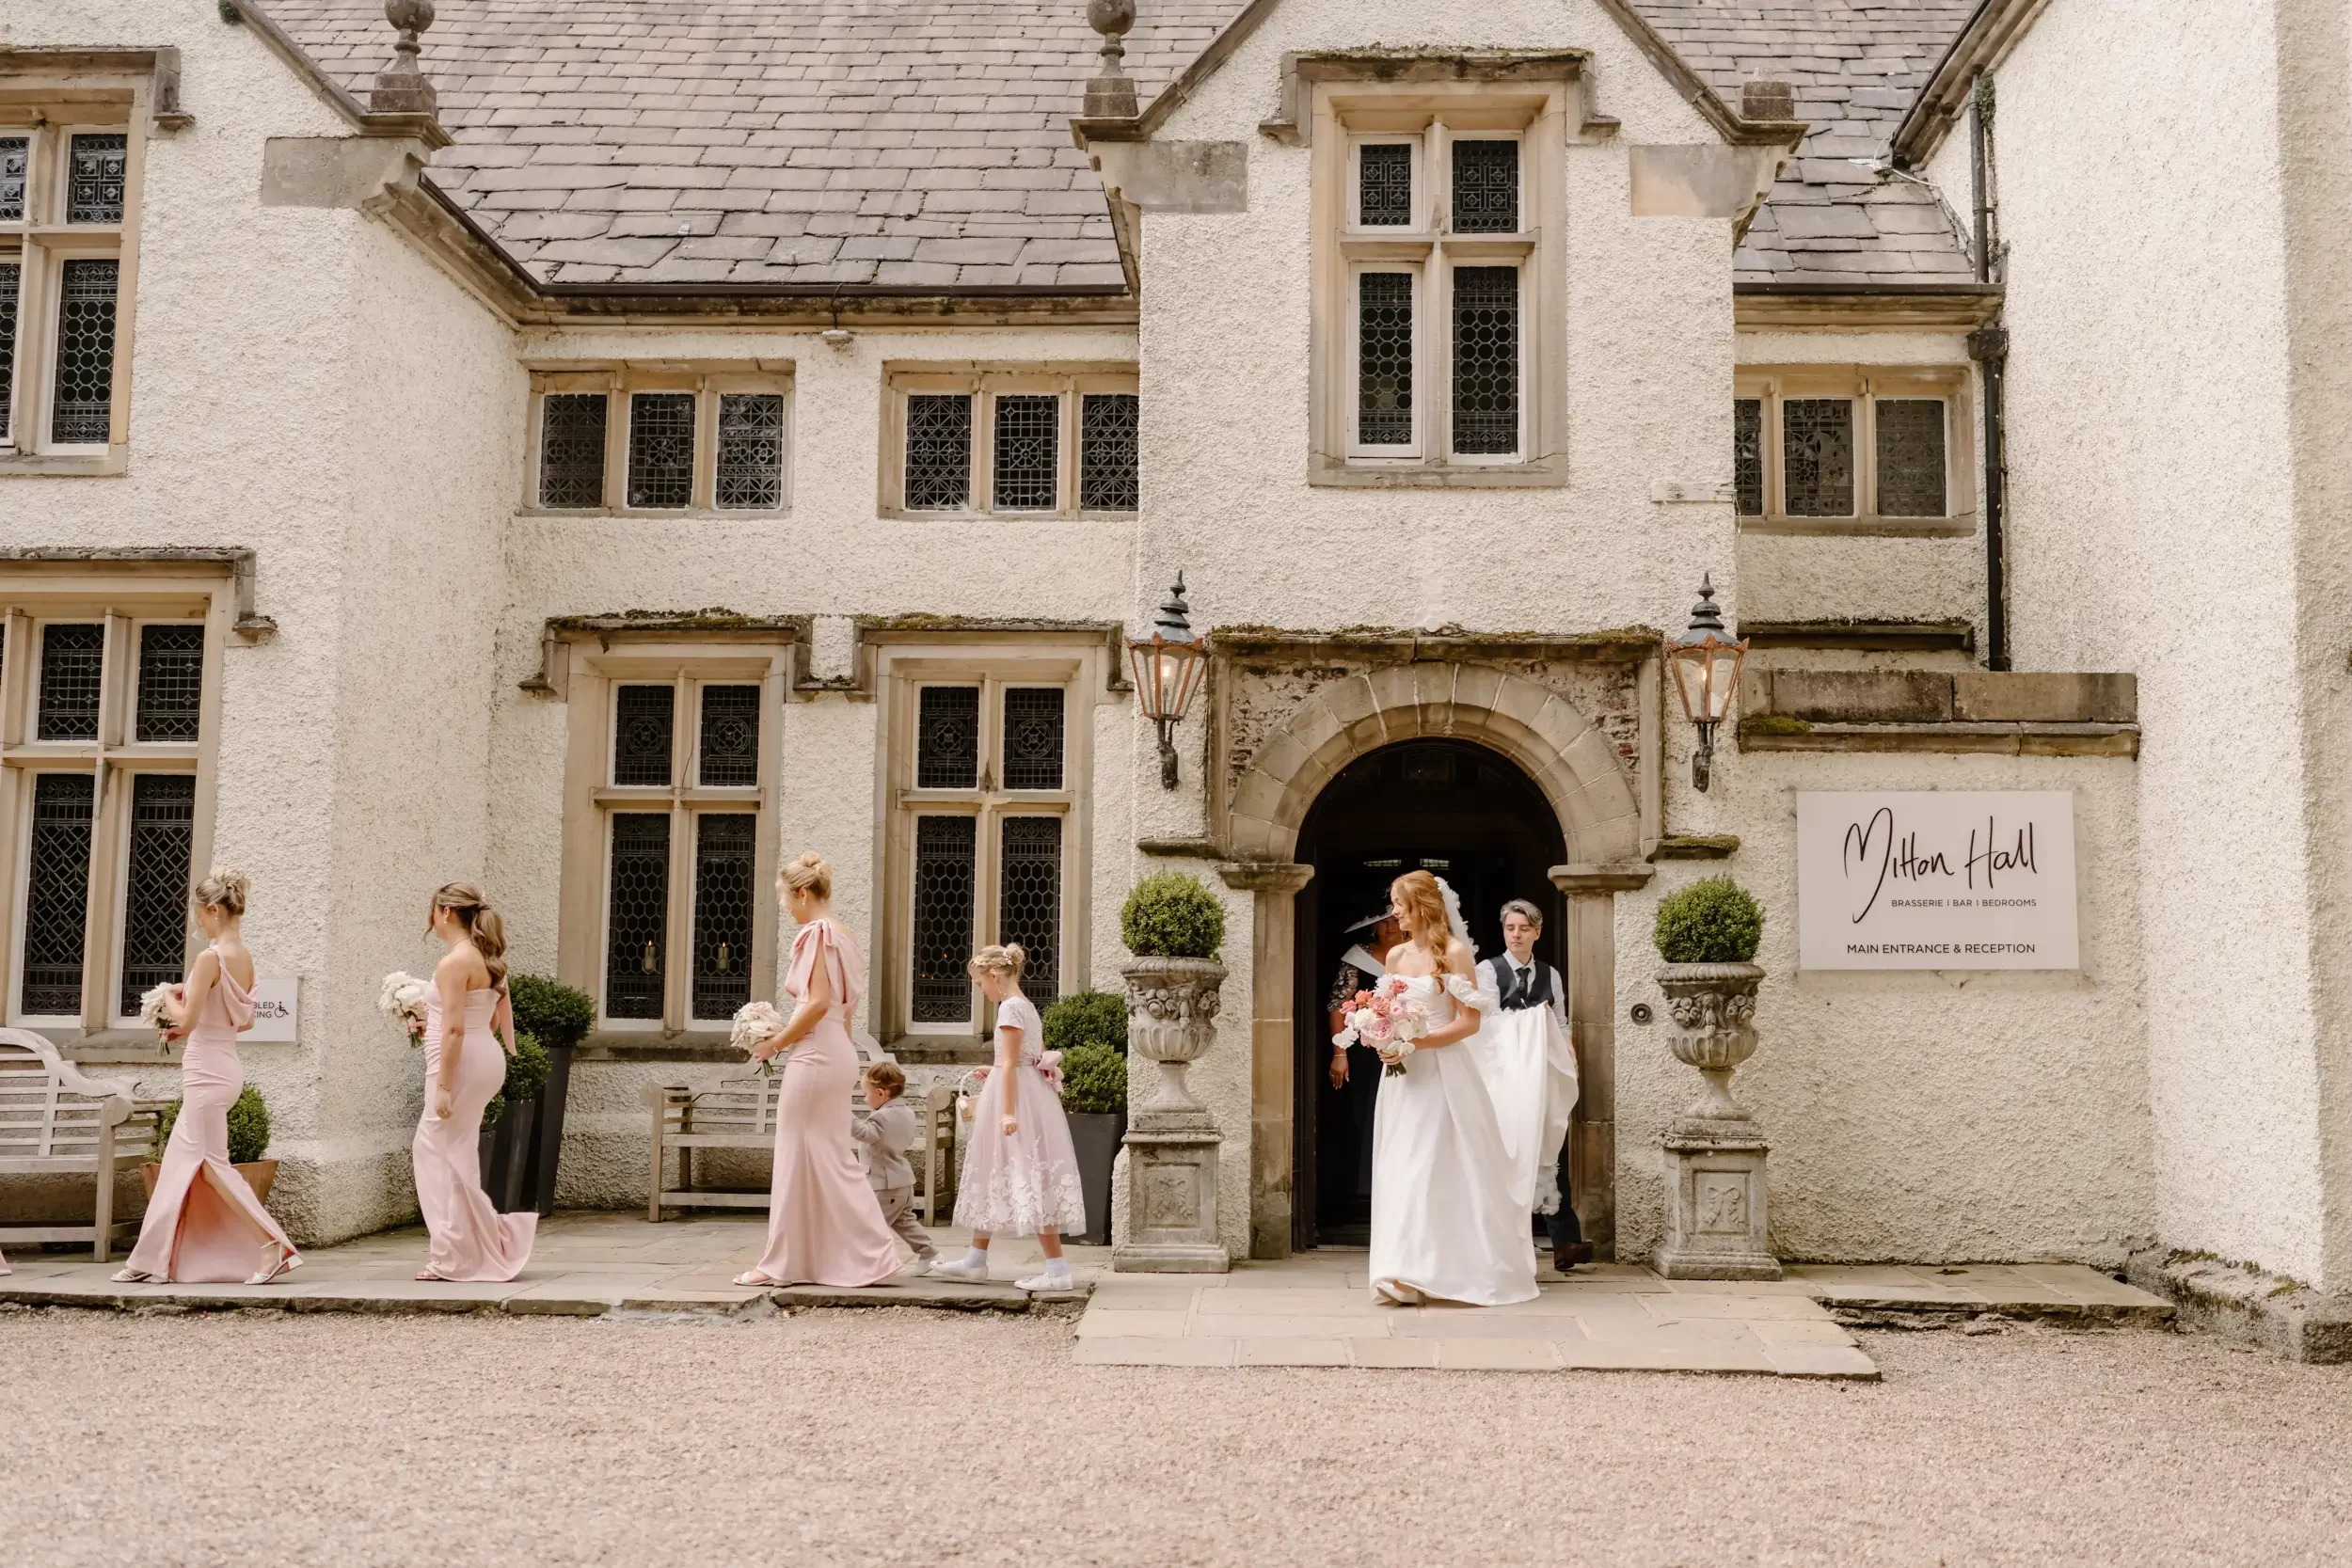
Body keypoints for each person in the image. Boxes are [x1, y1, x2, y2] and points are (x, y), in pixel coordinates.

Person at [115, 868, 301, 1286]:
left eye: (199, 914)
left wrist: (167, 996)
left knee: (213, 1165)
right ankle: (149, 1260)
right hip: (225, 1068)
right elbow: (246, 1022)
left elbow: (187, 1022)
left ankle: (273, 1246)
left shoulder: (209, 958)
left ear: (214, 909)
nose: (198, 922)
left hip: (205, 1073)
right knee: (181, 1164)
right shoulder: (244, 958)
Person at [1364, 870, 1537, 1306]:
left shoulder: (1455, 953)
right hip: (1402, 1079)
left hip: (1443, 1074)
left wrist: (1415, 1041)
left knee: (1433, 1167)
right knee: (1399, 1165)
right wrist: (1383, 1039)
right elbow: (1386, 1011)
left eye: (1399, 904)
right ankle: (1399, 1268)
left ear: (1421, 906)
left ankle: (1440, 1267)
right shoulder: (1395, 956)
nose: (1395, 913)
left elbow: (1469, 1022)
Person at [736, 853, 906, 1289]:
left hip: (814, 1056)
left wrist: (776, 1041)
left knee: (798, 1157)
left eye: (785, 900)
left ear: (803, 893)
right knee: (830, 1157)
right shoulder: (844, 936)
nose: (787, 910)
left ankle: (784, 1263)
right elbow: (845, 1014)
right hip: (838, 1053)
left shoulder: (816, 933)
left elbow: (814, 1004)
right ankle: (857, 1256)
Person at [934, 943, 1086, 1292]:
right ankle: (975, 1258)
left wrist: (1006, 1112)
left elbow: (1011, 1063)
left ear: (993, 976)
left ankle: (1057, 1269)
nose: (980, 991)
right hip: (1027, 1090)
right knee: (996, 1169)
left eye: (979, 984)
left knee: (1025, 1171)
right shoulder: (1026, 1007)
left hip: (1017, 1101)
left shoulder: (1009, 1010)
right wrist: (995, 1071)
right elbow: (1019, 1059)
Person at [411, 883, 536, 1283]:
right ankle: (474, 1244)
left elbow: (454, 1032)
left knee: (433, 1151)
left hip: (459, 1065)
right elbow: (492, 1020)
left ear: (446, 912)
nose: (430, 916)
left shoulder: (452, 964)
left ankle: (453, 1255)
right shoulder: (489, 958)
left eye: (433, 909)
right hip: (487, 1060)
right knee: (457, 1151)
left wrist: (444, 1087)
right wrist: (427, 1025)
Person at [1479, 899, 1588, 1271]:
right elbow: (1488, 1021)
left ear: (1537, 932)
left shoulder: (1550, 974)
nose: (1516, 935)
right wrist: (1529, 1021)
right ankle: (1506, 1242)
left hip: (1542, 1072)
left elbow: (1559, 1021)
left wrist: (1569, 1050)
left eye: (1524, 928)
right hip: (1505, 1074)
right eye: (1510, 928)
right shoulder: (1488, 971)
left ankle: (1565, 1242)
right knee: (1510, 1148)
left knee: (1550, 1142)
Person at [1326, 908, 1404, 1212]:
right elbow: (1338, 1004)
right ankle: (1364, 1190)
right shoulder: (1359, 956)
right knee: (1366, 1112)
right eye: (1383, 923)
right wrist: (1339, 1053)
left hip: (1407, 1044)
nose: (1389, 927)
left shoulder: (1417, 956)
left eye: (1395, 920)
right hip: (1365, 1048)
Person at [855, 1062, 938, 1275]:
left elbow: (867, 1134)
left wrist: (844, 1117)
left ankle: (873, 1265)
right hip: (901, 1181)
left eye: (866, 1094)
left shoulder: (881, 1117)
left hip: (886, 1184)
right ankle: (929, 1253)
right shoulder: (907, 1112)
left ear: (881, 1093)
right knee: (905, 1221)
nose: (865, 1099)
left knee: (871, 1226)